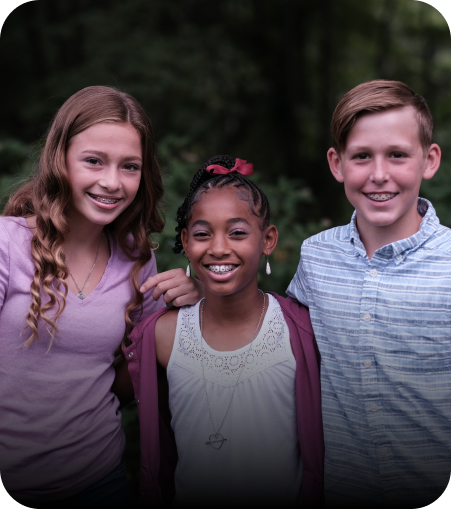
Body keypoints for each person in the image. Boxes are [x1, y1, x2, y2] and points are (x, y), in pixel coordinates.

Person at [0, 86, 203, 505]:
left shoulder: (137, 261)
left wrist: (191, 305)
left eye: (130, 166)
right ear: (61, 159)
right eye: (93, 161)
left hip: (99, 478)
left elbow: (137, 371)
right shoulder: (7, 243)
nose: (112, 182)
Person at [122, 155, 325, 507]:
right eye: (202, 234)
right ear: (185, 242)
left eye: (238, 233)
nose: (218, 247)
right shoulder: (161, 335)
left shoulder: (302, 331)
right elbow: (101, 390)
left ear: (268, 240)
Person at [287, 79, 451, 506]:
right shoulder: (316, 257)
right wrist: (202, 290)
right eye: (362, 157)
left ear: (429, 160)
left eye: (397, 155)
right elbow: (273, 331)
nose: (379, 174)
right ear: (337, 163)